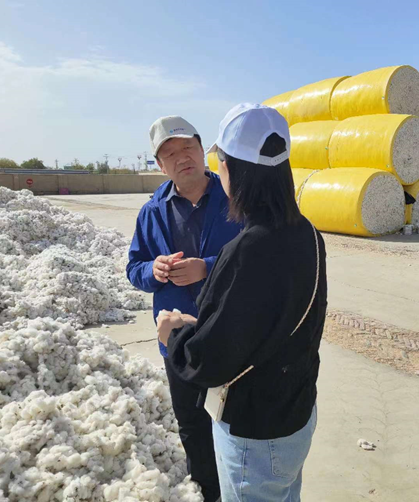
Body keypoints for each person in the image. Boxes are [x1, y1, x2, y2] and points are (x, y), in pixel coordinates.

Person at [157, 103, 328, 502]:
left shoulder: (250, 249)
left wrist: (176, 335)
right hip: (296, 412)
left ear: (232, 169)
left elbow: (213, 358)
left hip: (257, 430)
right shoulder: (307, 234)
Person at [126, 116, 242, 502]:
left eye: (187, 148)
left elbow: (259, 256)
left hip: (230, 333)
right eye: (170, 154)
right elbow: (134, 269)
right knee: (192, 424)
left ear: (202, 150)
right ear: (160, 165)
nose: (181, 158)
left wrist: (206, 267)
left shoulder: (235, 199)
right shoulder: (152, 211)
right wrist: (153, 271)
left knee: (236, 421)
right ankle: (209, 492)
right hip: (178, 341)